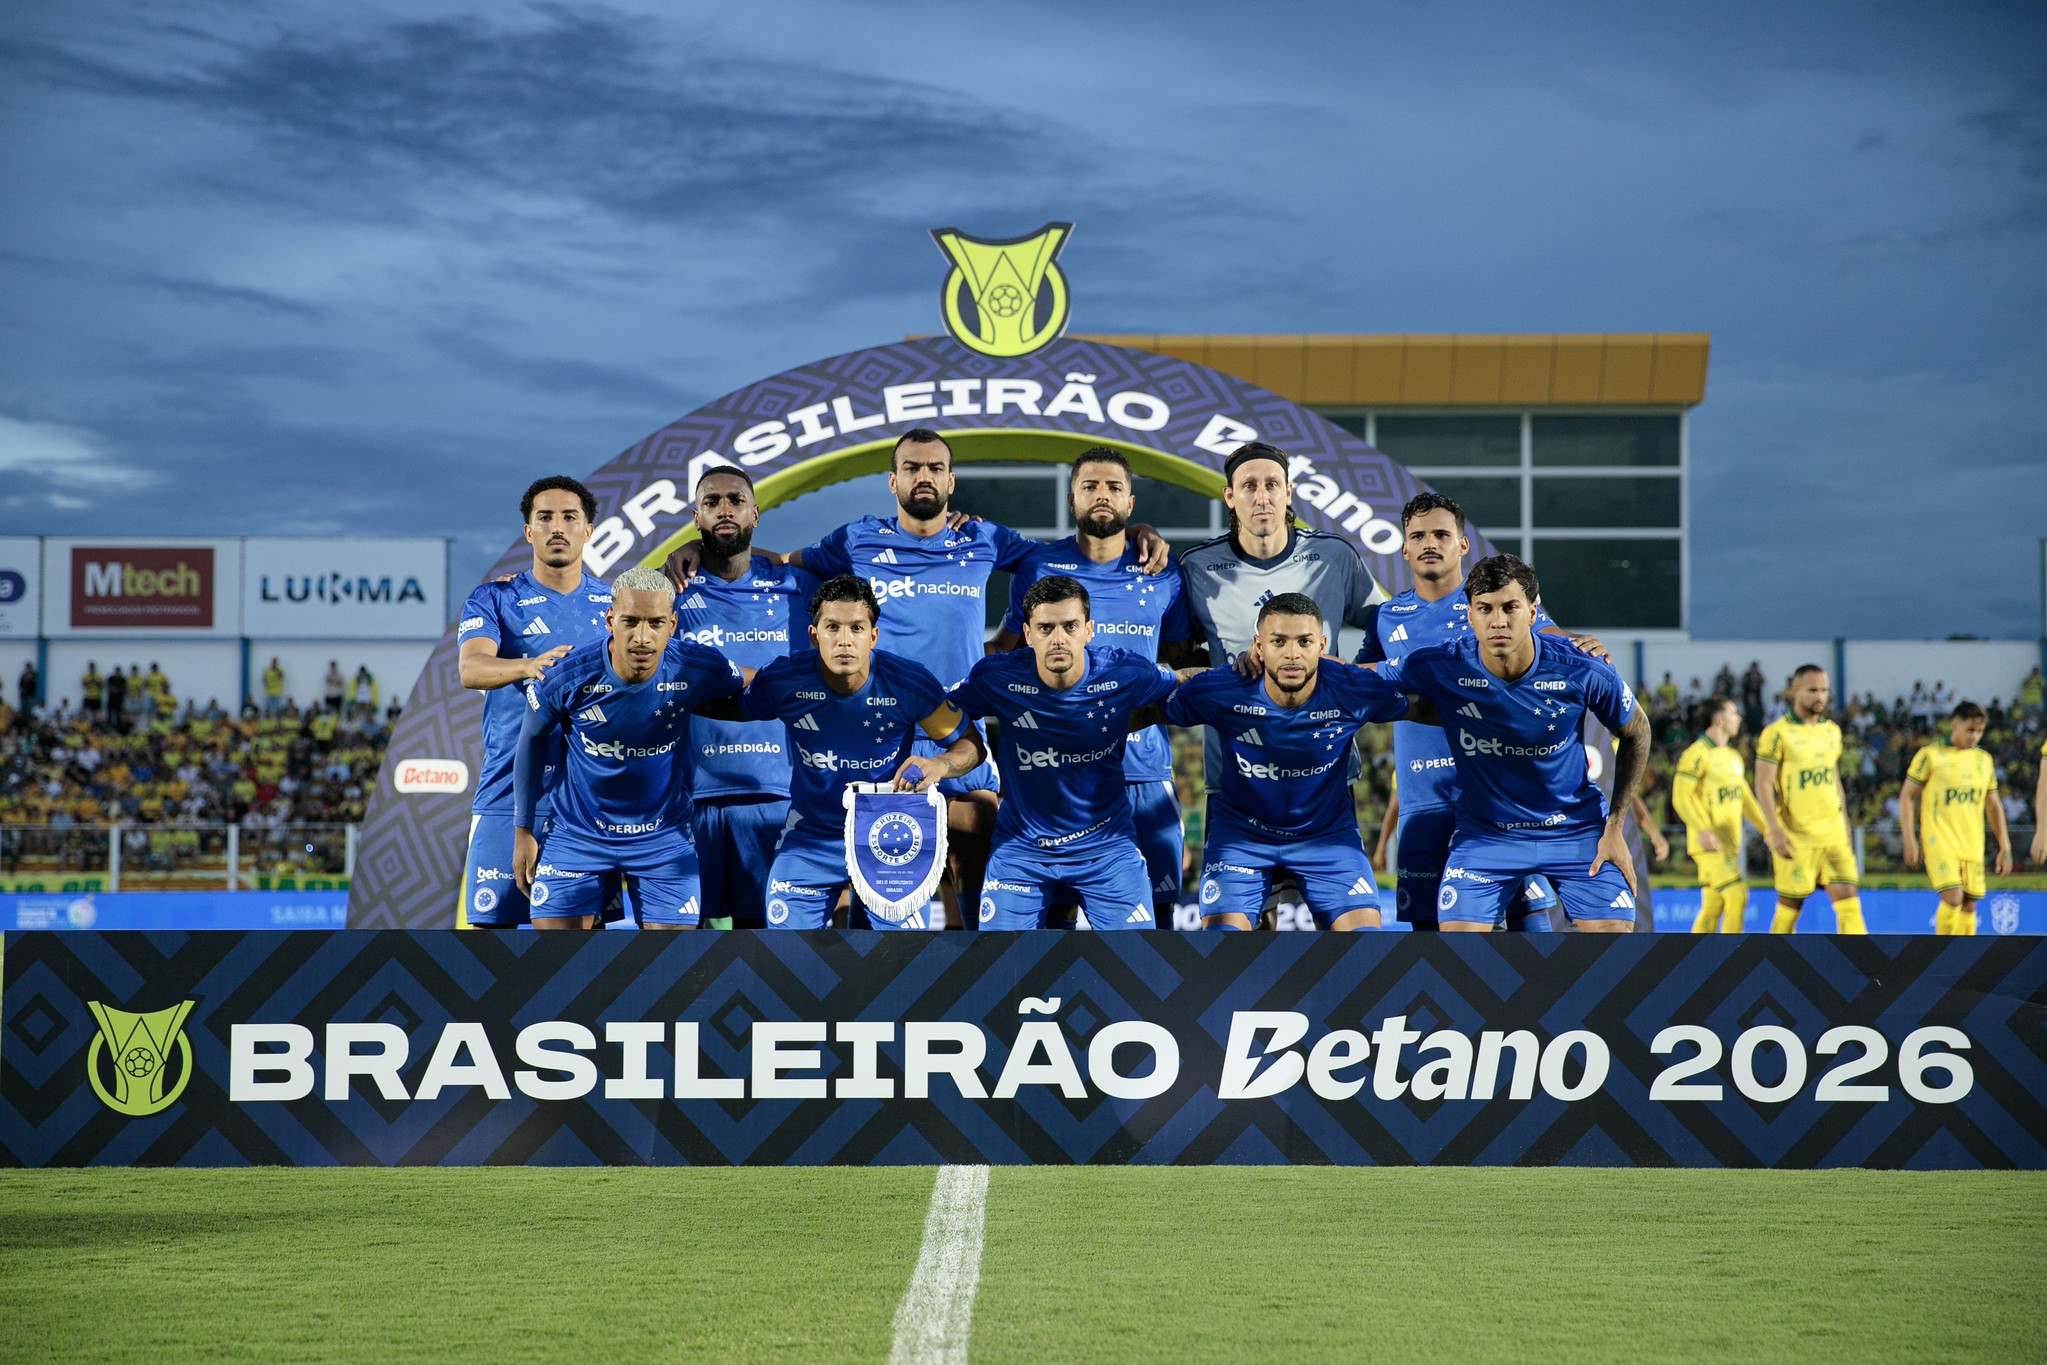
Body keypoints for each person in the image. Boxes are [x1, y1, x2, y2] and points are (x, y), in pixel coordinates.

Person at [665, 426, 1167, 927]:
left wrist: (1130, 531)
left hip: (954, 721)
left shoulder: (984, 538)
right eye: (911, 468)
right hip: (880, 730)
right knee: (870, 864)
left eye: (934, 468)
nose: (923, 476)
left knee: (975, 842)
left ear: (951, 481)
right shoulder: (856, 539)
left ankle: (972, 960)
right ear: (893, 481)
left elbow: (1067, 552)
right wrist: (698, 548)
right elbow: (776, 561)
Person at [1358, 492, 1599, 931]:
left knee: (1530, 936)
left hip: (1503, 801)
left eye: (1441, 534)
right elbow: (1360, 683)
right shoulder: (1385, 618)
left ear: (1463, 544)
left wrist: (1580, 643)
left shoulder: (1493, 603)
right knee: (1433, 946)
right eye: (1418, 536)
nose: (1430, 543)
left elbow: (1550, 636)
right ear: (1404, 548)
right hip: (1424, 800)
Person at [1370, 554, 1649, 932]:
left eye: (1510, 607)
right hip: (1486, 835)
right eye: (1485, 608)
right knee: (1455, 946)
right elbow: (1361, 678)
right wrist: (1302, 664)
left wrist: (1615, 826)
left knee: (1614, 935)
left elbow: (1638, 732)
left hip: (1574, 829)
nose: (1498, 620)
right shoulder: (1442, 664)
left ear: (1533, 612)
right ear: (1469, 615)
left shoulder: (1582, 667)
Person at [991, 447, 1197, 919]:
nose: (1102, 495)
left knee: (1157, 921)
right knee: (1053, 923)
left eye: (1113, 487)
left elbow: (1182, 658)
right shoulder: (1039, 568)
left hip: (1141, 770)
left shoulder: (1162, 573)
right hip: (1057, 774)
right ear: (1072, 499)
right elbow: (1007, 653)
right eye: (1090, 486)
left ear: (1130, 502)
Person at [724, 575, 983, 930]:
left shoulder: (908, 683)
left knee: (902, 959)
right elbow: (724, 705)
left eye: (857, 628)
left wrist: (940, 764)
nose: (844, 640)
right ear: (814, 635)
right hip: (812, 837)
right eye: (832, 627)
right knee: (785, 953)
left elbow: (970, 745)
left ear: (873, 636)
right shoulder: (783, 680)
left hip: (890, 837)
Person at [513, 566, 746, 929]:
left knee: (675, 957)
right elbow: (530, 740)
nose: (642, 637)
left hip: (662, 837)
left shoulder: (697, 665)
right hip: (577, 834)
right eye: (630, 621)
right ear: (610, 620)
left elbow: (754, 686)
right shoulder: (567, 674)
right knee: (556, 957)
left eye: (655, 623)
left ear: (672, 624)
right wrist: (523, 830)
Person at [949, 576, 1187, 930]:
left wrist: (1249, 676)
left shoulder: (1123, 671)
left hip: (1107, 849)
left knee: (1137, 958)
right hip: (1021, 851)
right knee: (998, 961)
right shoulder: (996, 678)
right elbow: (938, 710)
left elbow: (1187, 683)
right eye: (1046, 628)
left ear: (1088, 630)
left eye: (1070, 626)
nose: (1058, 638)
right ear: (1027, 634)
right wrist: (942, 761)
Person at [1167, 593, 1412, 930]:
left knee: (1365, 943)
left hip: (1327, 838)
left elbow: (1427, 707)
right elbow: (1146, 709)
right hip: (1242, 837)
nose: (1292, 653)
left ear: (1321, 646)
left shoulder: (1351, 687)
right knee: (1222, 946)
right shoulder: (1223, 688)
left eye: (1304, 641)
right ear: (1259, 646)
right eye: (1278, 641)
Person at [455, 475, 615, 929]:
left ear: (588, 530)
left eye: (569, 517)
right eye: (545, 518)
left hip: (586, 802)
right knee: (489, 944)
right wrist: (530, 666)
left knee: (582, 949)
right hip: (505, 796)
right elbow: (471, 669)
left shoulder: (613, 606)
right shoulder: (495, 597)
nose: (557, 527)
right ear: (529, 531)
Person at [671, 465, 817, 929]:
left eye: (736, 500)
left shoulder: (798, 586)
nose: (724, 510)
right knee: (679, 950)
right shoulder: (668, 588)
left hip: (776, 793)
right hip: (690, 797)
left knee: (765, 948)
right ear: (696, 517)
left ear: (756, 514)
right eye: (711, 502)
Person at [1754, 664, 1866, 934]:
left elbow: (1833, 778)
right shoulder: (1776, 733)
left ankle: (1860, 961)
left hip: (1832, 833)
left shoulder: (1832, 731)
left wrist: (1845, 822)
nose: (1820, 697)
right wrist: (1773, 829)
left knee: (1849, 901)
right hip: (1796, 836)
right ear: (1794, 691)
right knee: (1789, 907)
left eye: (1824, 691)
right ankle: (1771, 959)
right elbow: (1763, 783)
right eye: (1813, 690)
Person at [1900, 701, 2012, 935]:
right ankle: (1942, 952)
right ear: (1954, 724)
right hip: (1940, 841)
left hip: (1972, 843)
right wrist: (1909, 840)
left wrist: (2005, 846)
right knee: (1953, 897)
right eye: (1970, 730)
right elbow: (1907, 796)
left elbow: (1993, 805)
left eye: (1979, 731)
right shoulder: (1930, 755)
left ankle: (1964, 956)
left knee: (1969, 904)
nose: (1974, 736)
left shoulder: (1983, 760)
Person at [1672, 696, 1768, 933]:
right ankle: (1731, 953)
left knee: (1713, 905)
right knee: (1737, 895)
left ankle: (1696, 953)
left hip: (1728, 844)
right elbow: (1680, 797)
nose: (1738, 718)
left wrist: (1768, 830)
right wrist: (1702, 829)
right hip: (1709, 844)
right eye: (1733, 713)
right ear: (1719, 720)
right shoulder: (1696, 754)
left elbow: (1746, 800)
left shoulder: (1733, 757)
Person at [104, 665, 127, 734]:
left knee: (118, 715)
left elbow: (124, 688)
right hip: (111, 699)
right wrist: (115, 689)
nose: (117, 673)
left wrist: (116, 689)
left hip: (119, 700)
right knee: (110, 714)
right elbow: (108, 687)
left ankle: (117, 728)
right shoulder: (111, 678)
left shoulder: (122, 679)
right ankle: (109, 728)